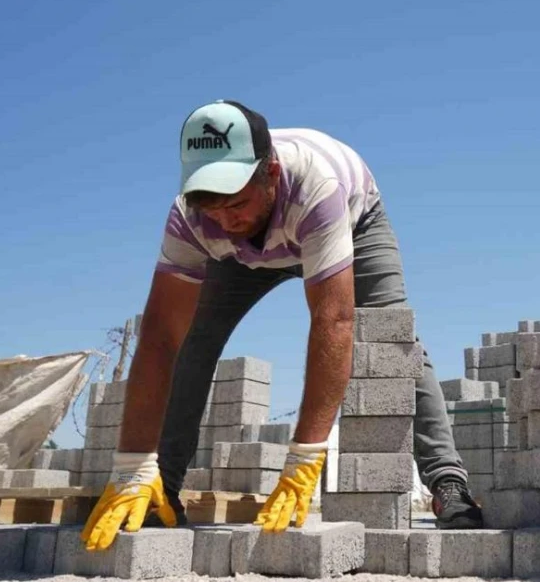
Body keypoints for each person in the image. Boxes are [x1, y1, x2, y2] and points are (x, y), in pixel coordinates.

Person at [80, 100, 482, 551]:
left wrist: (304, 458)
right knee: (192, 341)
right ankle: (160, 490)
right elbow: (159, 338)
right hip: (244, 260)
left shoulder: (316, 186)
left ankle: (448, 482)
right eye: (213, 209)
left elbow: (333, 321)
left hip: (350, 220)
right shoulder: (193, 220)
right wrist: (133, 463)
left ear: (269, 172)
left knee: (394, 341)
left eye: (236, 204)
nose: (227, 221)